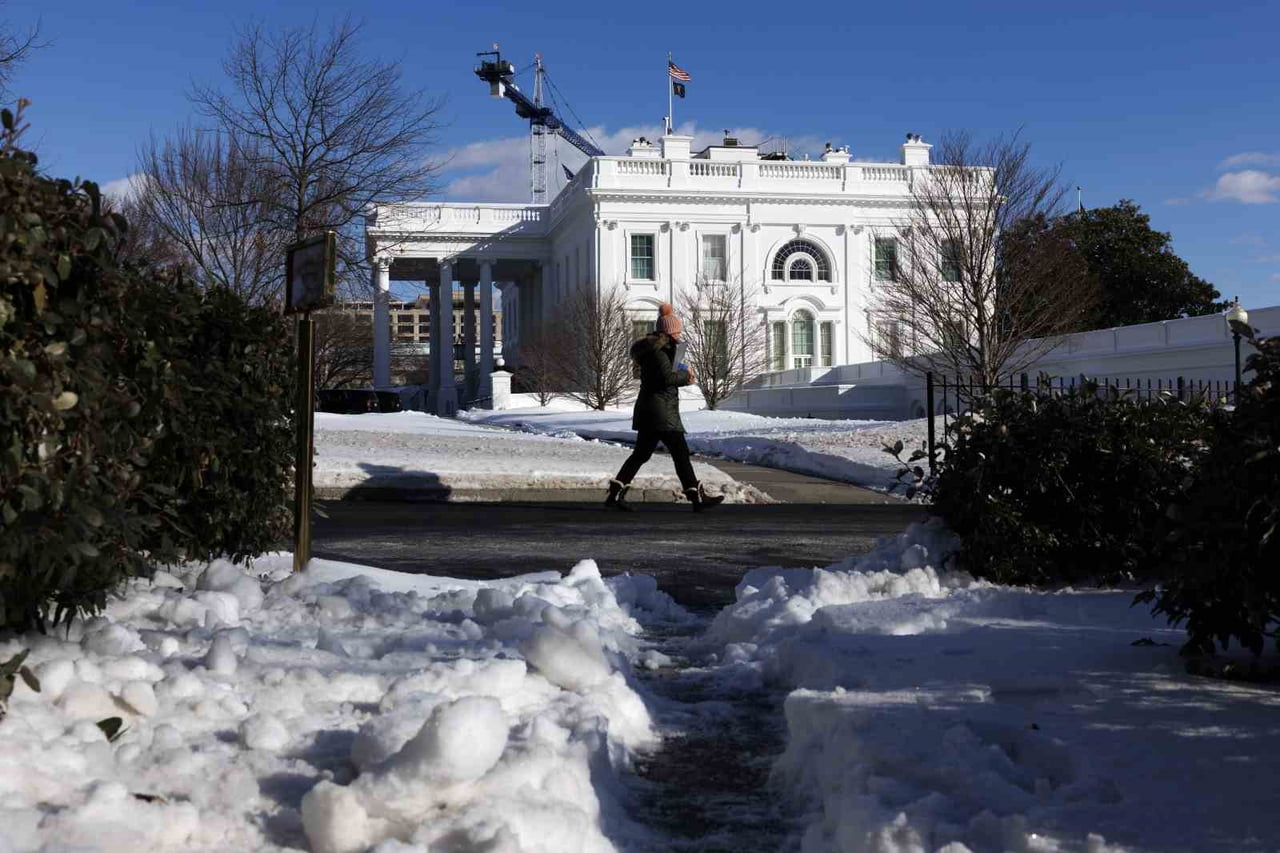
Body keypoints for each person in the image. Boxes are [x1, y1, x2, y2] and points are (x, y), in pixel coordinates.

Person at [605, 304, 725, 512]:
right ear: (669, 331)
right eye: (677, 330)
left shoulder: (660, 351)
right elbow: (665, 378)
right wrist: (686, 377)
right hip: (661, 413)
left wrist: (681, 370)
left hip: (654, 411)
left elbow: (663, 377)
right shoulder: (659, 353)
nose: (680, 333)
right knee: (680, 454)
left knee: (641, 454)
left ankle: (615, 494)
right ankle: (697, 498)